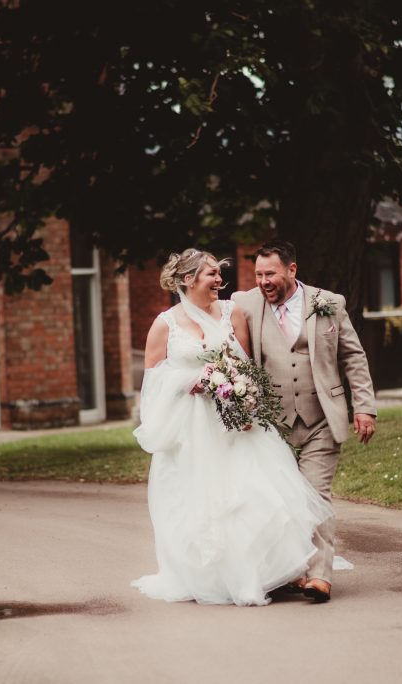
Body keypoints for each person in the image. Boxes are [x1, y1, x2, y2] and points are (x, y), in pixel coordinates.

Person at [131, 248, 332, 607]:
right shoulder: (166, 324)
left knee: (255, 494)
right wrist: (191, 379)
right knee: (203, 502)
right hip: (193, 430)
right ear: (189, 279)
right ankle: (215, 577)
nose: (219, 280)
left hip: (238, 423)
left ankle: (270, 571)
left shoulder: (231, 312)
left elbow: (248, 363)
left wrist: (239, 389)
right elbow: (154, 381)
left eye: (218, 274)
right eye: (211, 274)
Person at [232, 240, 377, 603]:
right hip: (271, 423)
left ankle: (319, 576)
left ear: (292, 270)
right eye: (259, 274)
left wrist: (364, 407)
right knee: (277, 501)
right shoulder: (244, 304)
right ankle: (287, 572)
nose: (264, 281)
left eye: (271, 274)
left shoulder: (329, 303)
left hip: (321, 419)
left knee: (315, 494)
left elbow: (353, 358)